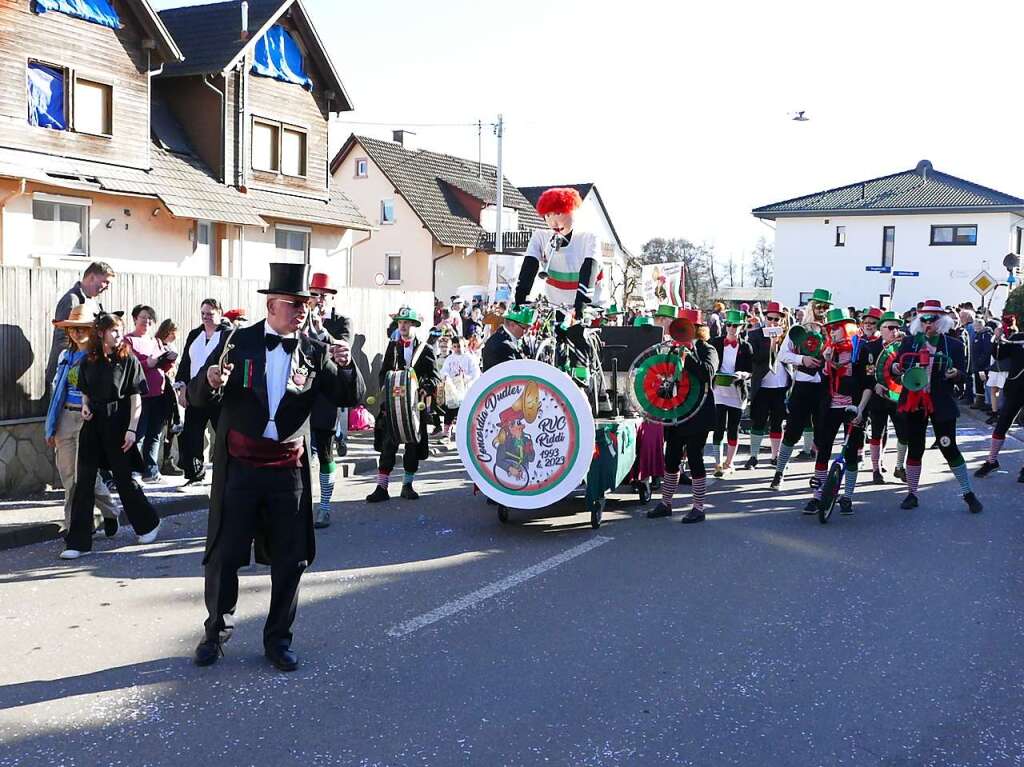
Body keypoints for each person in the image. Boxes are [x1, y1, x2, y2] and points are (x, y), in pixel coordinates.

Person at [190, 263, 363, 671]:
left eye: (306, 303)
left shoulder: (315, 350)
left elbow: (350, 396)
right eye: (294, 303)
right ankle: (215, 631)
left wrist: (348, 363)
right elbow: (199, 395)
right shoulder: (237, 341)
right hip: (241, 468)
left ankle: (278, 639)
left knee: (291, 559)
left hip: (288, 470)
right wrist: (211, 380)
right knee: (224, 556)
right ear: (271, 305)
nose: (303, 310)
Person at [60, 311, 162, 560]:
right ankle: (78, 542)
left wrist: (131, 429)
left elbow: (136, 397)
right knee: (83, 482)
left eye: (120, 329)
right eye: (113, 330)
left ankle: (148, 523)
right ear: (101, 333)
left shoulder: (129, 360)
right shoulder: (88, 360)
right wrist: (85, 405)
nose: (118, 335)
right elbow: (85, 390)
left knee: (124, 479)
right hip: (92, 423)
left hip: (118, 423)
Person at [891, 299, 982, 513]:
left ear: (941, 322)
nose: (927, 323)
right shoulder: (908, 343)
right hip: (914, 402)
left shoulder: (954, 345)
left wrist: (956, 374)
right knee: (915, 447)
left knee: (948, 446)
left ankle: (968, 493)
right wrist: (895, 367)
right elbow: (897, 368)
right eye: (923, 319)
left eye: (932, 319)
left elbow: (963, 376)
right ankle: (912, 493)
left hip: (941, 402)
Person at [45, 305, 120, 536]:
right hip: (65, 417)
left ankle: (99, 516)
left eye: (83, 328)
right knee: (68, 476)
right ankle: (76, 524)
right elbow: (57, 392)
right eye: (73, 329)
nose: (78, 333)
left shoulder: (99, 358)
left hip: (90, 418)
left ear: (93, 330)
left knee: (85, 475)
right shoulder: (64, 357)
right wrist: (51, 425)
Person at [646, 308, 718, 523]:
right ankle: (666, 503)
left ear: (697, 329)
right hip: (676, 411)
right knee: (671, 458)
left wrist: (688, 357)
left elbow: (707, 373)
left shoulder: (708, 349)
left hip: (699, 412)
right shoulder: (673, 349)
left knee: (695, 457)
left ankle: (698, 507)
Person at [804, 308, 874, 514]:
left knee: (852, 453)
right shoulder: (829, 349)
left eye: (835, 328)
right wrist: (827, 361)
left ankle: (848, 496)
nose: (832, 333)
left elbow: (869, 384)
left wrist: (860, 410)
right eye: (830, 329)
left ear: (846, 328)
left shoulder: (862, 349)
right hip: (830, 406)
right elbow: (825, 381)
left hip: (854, 407)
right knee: (822, 450)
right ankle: (817, 497)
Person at [367, 307, 439, 503]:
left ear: (414, 325)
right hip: (393, 405)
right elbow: (383, 373)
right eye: (400, 323)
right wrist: (387, 388)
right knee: (388, 445)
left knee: (412, 447)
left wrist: (423, 386)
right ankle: (382, 487)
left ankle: (407, 485)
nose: (403, 326)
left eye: (407, 323)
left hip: (415, 408)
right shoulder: (393, 346)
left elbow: (435, 378)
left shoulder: (426, 350)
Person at [770, 288, 833, 490]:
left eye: (825, 306)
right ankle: (779, 472)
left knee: (823, 432)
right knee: (792, 431)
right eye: (818, 306)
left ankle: (819, 477)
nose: (821, 310)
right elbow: (782, 355)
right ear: (811, 306)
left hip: (824, 387)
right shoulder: (797, 329)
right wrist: (802, 359)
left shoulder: (831, 330)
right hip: (803, 386)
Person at [305, 272, 352, 529]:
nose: (318, 299)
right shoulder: (299, 321)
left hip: (326, 396)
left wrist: (322, 333)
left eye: (323, 295)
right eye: (314, 295)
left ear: (331, 298)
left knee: (324, 454)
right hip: (300, 395)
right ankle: (300, 505)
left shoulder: (341, 321)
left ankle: (324, 507)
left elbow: (343, 350)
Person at [514, 187, 605, 317]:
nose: (553, 222)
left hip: (591, 309)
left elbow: (589, 269)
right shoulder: (541, 237)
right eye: (548, 215)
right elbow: (529, 266)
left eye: (558, 213)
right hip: (557, 308)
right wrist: (521, 295)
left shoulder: (588, 238)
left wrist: (582, 302)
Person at [176, 299, 229, 483]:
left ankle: (227, 471)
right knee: (192, 435)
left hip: (218, 394)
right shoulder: (194, 334)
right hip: (195, 392)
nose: (206, 317)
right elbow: (184, 364)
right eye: (203, 314)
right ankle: (194, 474)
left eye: (210, 314)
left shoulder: (227, 335)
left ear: (220, 313)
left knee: (223, 435)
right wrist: (182, 389)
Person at [47, 261, 115, 394]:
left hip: (87, 370)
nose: (107, 287)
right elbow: (63, 338)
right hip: (67, 373)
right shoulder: (72, 300)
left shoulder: (94, 303)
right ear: (92, 277)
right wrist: (76, 364)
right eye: (105, 282)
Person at [974, 315, 1024, 482]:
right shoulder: (1017, 338)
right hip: (1016, 388)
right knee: (1002, 424)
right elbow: (999, 355)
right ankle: (991, 461)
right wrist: (997, 338)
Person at [126, 304, 171, 483]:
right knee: (139, 434)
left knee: (155, 433)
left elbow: (163, 366)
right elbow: (129, 365)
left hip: (159, 392)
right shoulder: (128, 341)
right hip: (140, 395)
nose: (147, 321)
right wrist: (147, 363)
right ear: (135, 318)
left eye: (150, 318)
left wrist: (168, 361)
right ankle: (134, 470)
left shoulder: (156, 341)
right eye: (143, 317)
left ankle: (151, 471)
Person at [745, 301, 789, 469]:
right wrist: (770, 344)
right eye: (770, 318)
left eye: (776, 319)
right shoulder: (755, 335)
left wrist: (779, 343)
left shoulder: (786, 336)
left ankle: (775, 456)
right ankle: (754, 456)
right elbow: (755, 359)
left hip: (780, 385)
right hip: (763, 385)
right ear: (765, 318)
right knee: (758, 421)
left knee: (778, 422)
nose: (773, 322)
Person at [867, 311, 909, 482]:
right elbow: (868, 372)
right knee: (877, 432)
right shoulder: (871, 347)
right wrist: (874, 384)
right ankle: (876, 469)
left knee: (904, 433)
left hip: (898, 397)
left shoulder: (905, 347)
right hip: (878, 397)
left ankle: (899, 466)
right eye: (890, 327)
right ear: (881, 328)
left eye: (897, 327)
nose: (894, 331)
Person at [709, 309, 752, 477]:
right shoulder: (716, 342)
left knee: (734, 428)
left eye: (736, 326)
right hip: (719, 389)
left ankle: (729, 462)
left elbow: (750, 370)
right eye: (729, 325)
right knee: (718, 427)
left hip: (737, 391)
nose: (732, 328)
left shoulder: (746, 346)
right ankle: (717, 463)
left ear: (741, 327)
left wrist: (743, 375)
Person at [439, 334, 481, 446]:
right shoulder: (450, 358)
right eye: (455, 346)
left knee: (464, 412)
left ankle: (464, 433)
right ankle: (446, 433)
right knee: (450, 411)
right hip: (453, 389)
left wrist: (467, 379)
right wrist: (446, 377)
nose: (457, 349)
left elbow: (475, 373)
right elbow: (444, 370)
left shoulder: (469, 358)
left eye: (460, 346)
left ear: (465, 346)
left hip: (465, 388)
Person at [154, 319, 184, 477]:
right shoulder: (157, 344)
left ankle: (168, 460)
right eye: (173, 333)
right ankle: (160, 461)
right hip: (162, 389)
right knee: (163, 427)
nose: (175, 336)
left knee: (173, 426)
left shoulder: (171, 346)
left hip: (172, 388)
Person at [482, 305, 533, 371]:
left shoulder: (505, 337)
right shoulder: (503, 346)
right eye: (525, 328)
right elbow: (513, 374)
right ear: (512, 325)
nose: (527, 332)